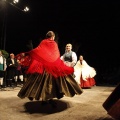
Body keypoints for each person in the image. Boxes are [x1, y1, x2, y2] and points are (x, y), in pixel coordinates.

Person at [17, 31, 83, 107]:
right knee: (51, 83)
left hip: (43, 68)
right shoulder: (54, 43)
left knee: (41, 83)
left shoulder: (43, 42)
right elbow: (56, 54)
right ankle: (50, 99)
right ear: (53, 37)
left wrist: (28, 53)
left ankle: (44, 100)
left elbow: (37, 51)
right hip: (52, 68)